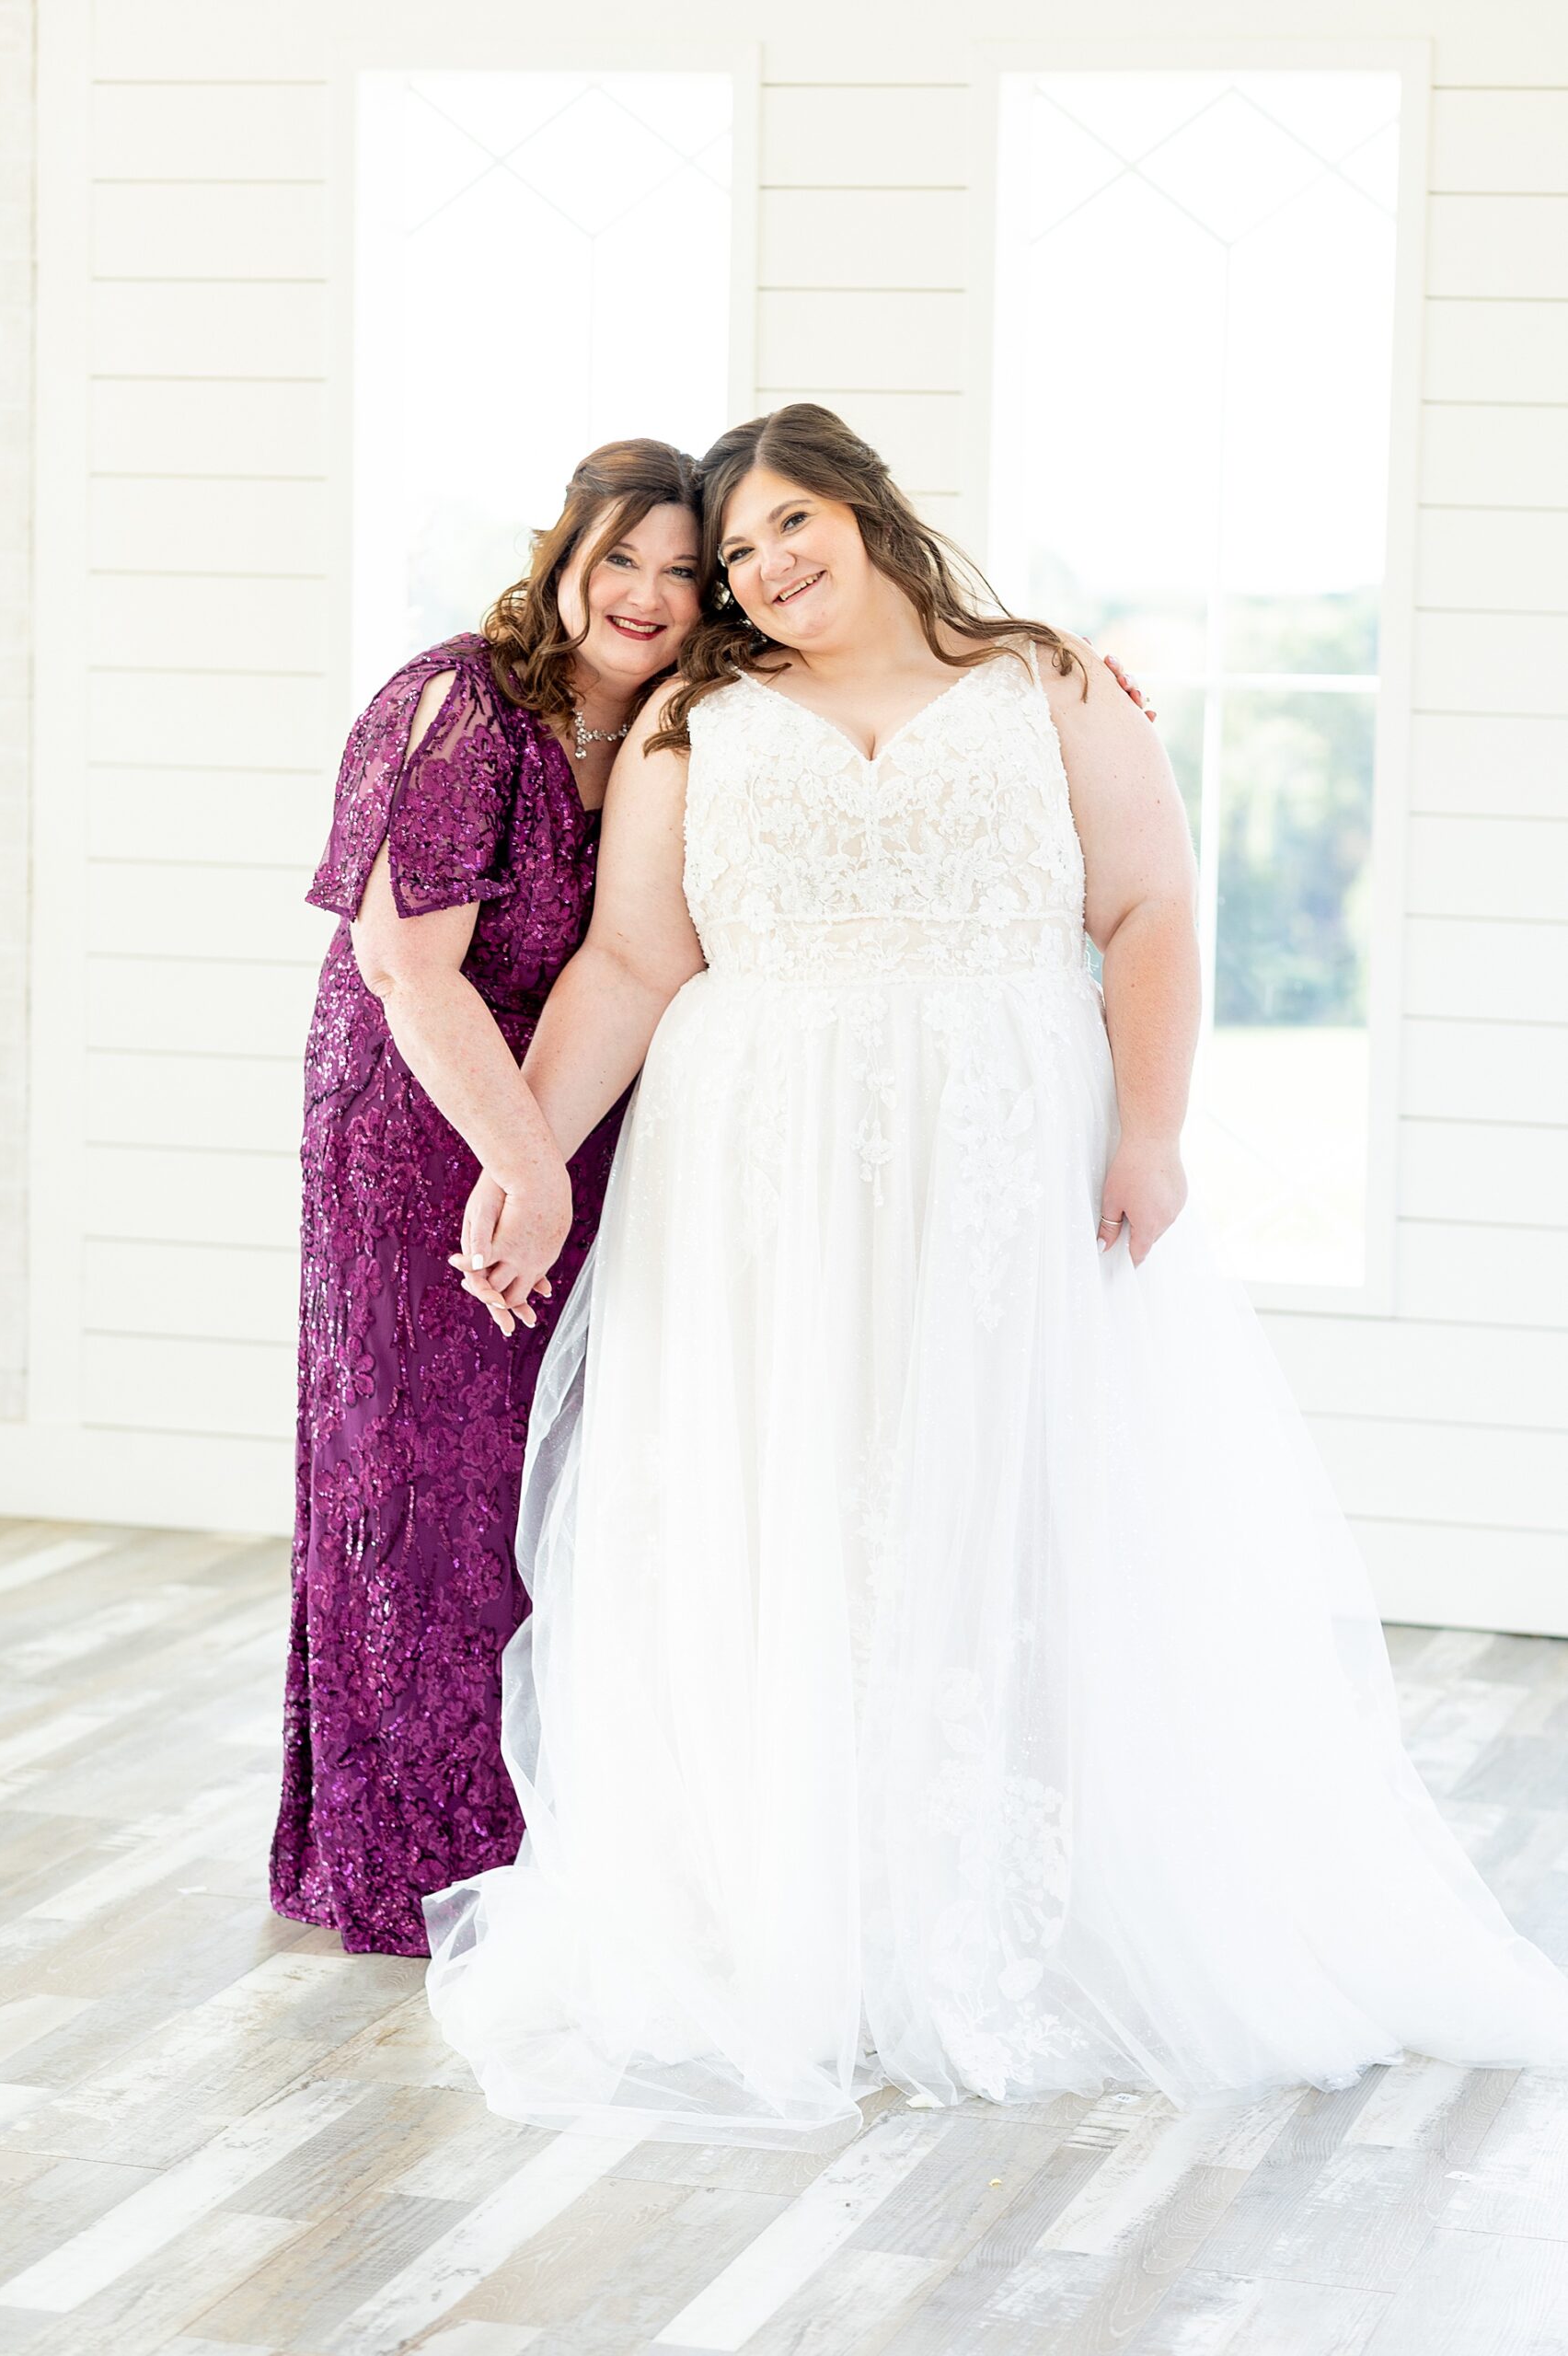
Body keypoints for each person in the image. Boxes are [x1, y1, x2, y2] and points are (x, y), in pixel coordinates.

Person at [429, 403, 1568, 2148]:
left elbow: (1152, 908)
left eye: (791, 521)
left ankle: (1012, 1891)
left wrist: (1157, 1129)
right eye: (736, 552)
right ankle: (797, 1898)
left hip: (1002, 1150)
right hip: (760, 1171)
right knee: (789, 1499)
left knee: (1008, 1493)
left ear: (870, 509)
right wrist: (527, 1159)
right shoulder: (696, 722)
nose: (767, 567)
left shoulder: (1050, 685)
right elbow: (639, 957)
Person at [269, 438, 703, 1956]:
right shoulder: (464, 700)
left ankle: (539, 1834)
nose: (647, 594)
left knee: (546, 1482)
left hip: (571, 1120)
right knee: (419, 1484)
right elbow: (403, 966)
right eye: (622, 556)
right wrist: (521, 1165)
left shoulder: (680, 722)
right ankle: (411, 1861)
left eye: (682, 570)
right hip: (416, 1117)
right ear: (565, 550)